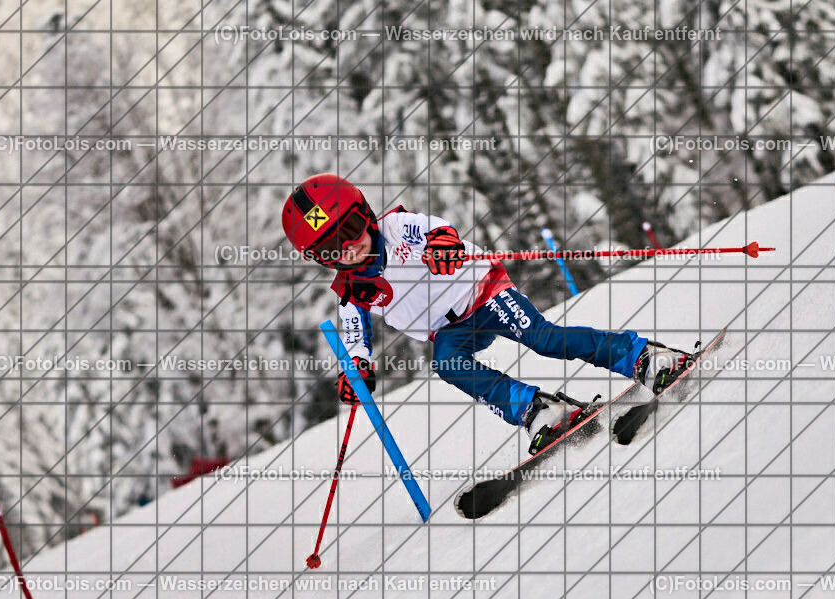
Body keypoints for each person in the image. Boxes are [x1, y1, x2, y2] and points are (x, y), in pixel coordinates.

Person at [282, 173, 692, 452]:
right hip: (448, 330)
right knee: (448, 365)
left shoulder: (395, 228)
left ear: (365, 215)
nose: (348, 248)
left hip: (481, 289)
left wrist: (444, 246)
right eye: (331, 249)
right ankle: (538, 409)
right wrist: (356, 368)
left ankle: (642, 356)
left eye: (350, 231)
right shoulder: (351, 291)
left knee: (545, 339)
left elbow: (435, 229)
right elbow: (354, 336)